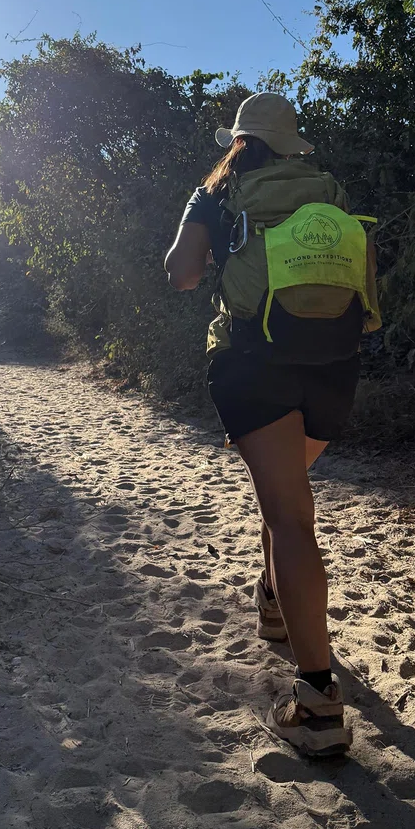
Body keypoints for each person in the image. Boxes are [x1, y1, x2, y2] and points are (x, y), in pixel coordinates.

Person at [164, 92, 380, 757]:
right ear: (293, 142)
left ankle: (317, 705)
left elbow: (180, 275)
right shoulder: (331, 191)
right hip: (334, 363)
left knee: (290, 516)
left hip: (254, 361)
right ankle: (273, 604)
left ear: (240, 140)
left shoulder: (217, 194)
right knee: (286, 491)